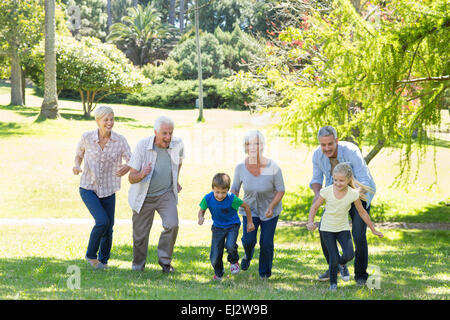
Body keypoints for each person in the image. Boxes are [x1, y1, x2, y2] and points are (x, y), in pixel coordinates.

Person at [310, 126, 377, 285]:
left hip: (359, 193)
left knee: (359, 234)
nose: (326, 148)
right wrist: (318, 195)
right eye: (323, 145)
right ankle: (335, 265)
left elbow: (364, 179)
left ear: (337, 141)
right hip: (334, 194)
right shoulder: (317, 155)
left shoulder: (351, 151)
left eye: (330, 144)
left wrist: (353, 196)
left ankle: (360, 275)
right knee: (324, 229)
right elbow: (316, 179)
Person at [307, 163, 383, 291]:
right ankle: (333, 284)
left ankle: (341, 265)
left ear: (348, 180)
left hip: (343, 228)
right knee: (333, 256)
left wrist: (373, 229)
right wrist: (310, 221)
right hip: (327, 228)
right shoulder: (326, 191)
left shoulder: (353, 194)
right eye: (335, 180)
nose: (338, 183)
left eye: (341, 180)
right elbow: (314, 207)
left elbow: (362, 213)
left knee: (349, 254)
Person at [73, 106, 131, 270]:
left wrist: (126, 168)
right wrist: (76, 166)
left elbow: (131, 159)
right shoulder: (87, 137)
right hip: (88, 187)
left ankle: (103, 261)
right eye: (106, 119)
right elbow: (79, 154)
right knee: (102, 221)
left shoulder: (120, 140)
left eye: (112, 119)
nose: (109, 122)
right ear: (98, 121)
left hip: (109, 189)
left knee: (109, 227)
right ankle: (91, 256)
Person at [128, 116, 184, 273]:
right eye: (164, 133)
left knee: (172, 225)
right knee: (140, 235)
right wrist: (141, 174)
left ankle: (165, 262)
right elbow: (131, 178)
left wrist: (176, 180)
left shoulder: (177, 144)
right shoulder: (142, 146)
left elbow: (179, 162)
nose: (168, 137)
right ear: (155, 132)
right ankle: (138, 266)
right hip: (143, 196)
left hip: (166, 193)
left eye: (170, 133)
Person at [230, 130, 285, 280]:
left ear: (262, 146)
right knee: (248, 241)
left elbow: (281, 190)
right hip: (249, 210)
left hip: (270, 210)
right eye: (249, 144)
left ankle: (264, 274)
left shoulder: (273, 166)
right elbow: (234, 188)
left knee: (266, 242)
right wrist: (231, 204)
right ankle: (247, 255)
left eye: (256, 143)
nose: (253, 147)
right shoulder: (240, 167)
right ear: (245, 147)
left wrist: (272, 206)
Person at [198, 173, 255, 281]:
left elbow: (246, 207)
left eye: (223, 192)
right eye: (217, 192)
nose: (220, 195)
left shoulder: (232, 199)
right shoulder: (208, 198)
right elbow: (201, 210)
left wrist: (250, 222)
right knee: (214, 257)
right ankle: (219, 273)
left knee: (230, 245)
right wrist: (201, 217)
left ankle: (233, 261)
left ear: (228, 190)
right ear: (212, 189)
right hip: (217, 228)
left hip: (232, 226)